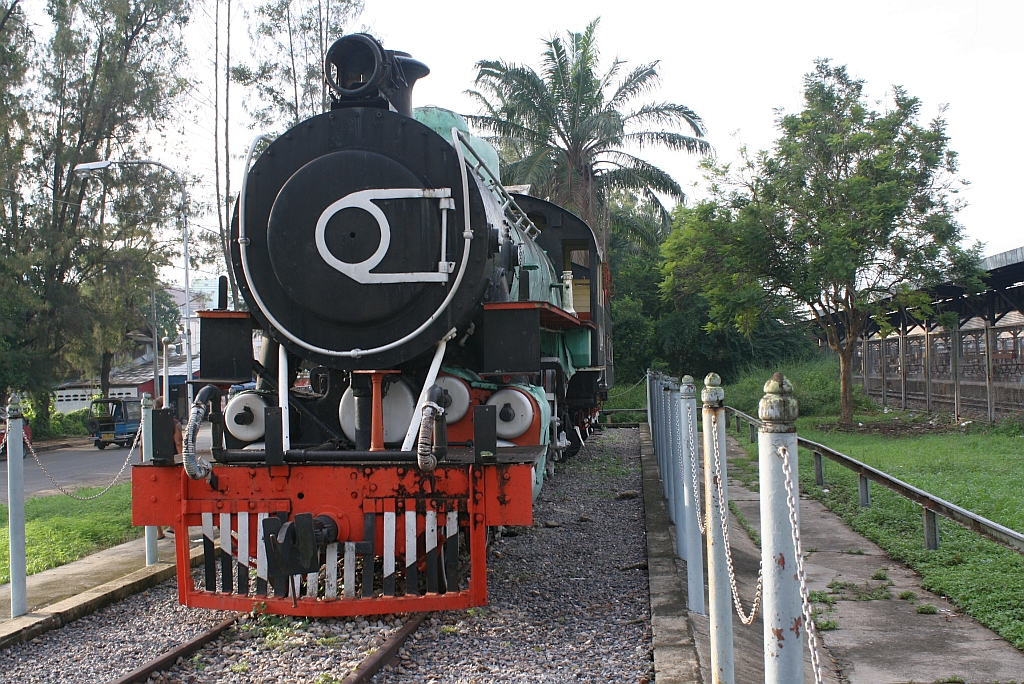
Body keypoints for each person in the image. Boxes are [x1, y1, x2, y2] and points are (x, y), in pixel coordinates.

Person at [153, 397, 183, 539]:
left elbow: (141, 445)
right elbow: (178, 443)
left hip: (152, 464)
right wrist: (183, 460)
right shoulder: (174, 424)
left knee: (155, 498)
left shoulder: (148, 423)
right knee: (173, 495)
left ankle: (158, 531)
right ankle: (173, 525)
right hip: (171, 463)